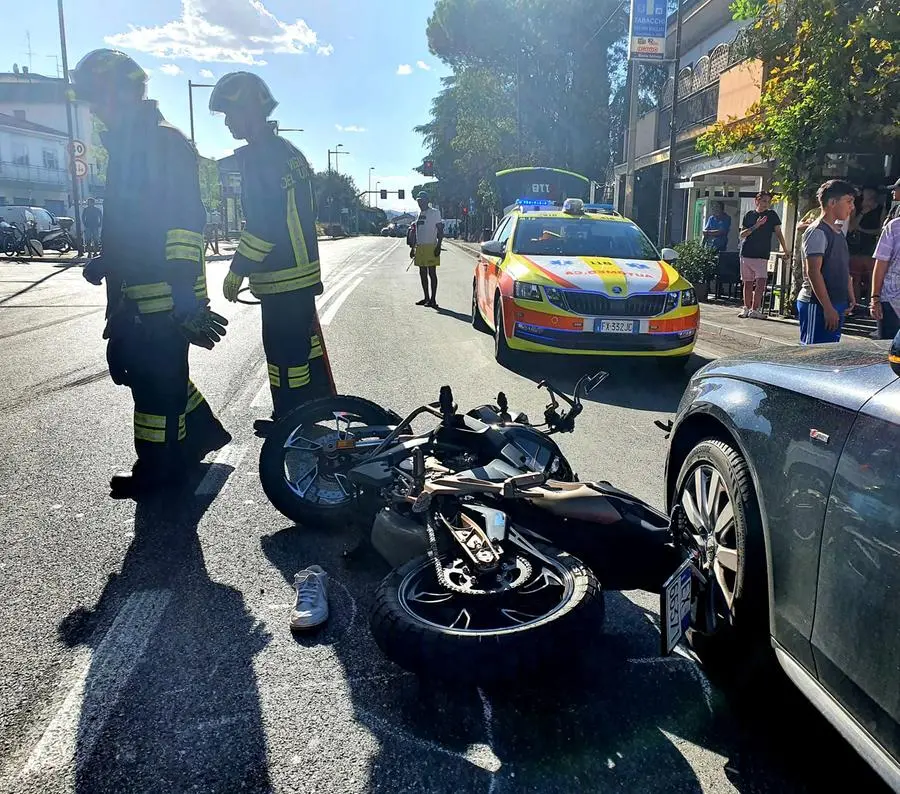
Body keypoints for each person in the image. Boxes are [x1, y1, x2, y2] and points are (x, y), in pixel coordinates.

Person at [72, 49, 230, 497]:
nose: (94, 109)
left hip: (162, 292)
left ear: (122, 94)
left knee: (155, 389)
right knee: (145, 373)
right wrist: (110, 261)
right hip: (137, 288)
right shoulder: (131, 145)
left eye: (97, 98)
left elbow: (182, 221)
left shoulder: (161, 143)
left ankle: (160, 473)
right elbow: (134, 223)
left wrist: (182, 292)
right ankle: (199, 432)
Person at [209, 72, 332, 427]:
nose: (229, 123)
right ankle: (297, 414)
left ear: (249, 111)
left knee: (284, 353)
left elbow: (264, 225)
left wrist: (237, 269)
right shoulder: (286, 152)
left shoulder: (263, 158)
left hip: (282, 276)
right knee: (297, 351)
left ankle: (292, 421)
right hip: (297, 274)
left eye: (231, 114)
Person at [796, 180, 856, 345]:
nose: (852, 207)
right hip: (817, 304)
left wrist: (850, 295)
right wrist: (828, 307)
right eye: (848, 201)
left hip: (837, 302)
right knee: (813, 355)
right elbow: (814, 271)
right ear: (832, 202)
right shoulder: (817, 231)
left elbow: (843, 267)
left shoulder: (837, 232)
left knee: (829, 355)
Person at [738, 191, 789, 319]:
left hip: (762, 253)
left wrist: (785, 249)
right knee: (747, 282)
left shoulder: (772, 215)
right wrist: (756, 225)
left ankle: (755, 309)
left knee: (761, 282)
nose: (766, 204)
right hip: (747, 252)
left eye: (768, 201)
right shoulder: (749, 215)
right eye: (764, 201)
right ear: (757, 201)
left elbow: (778, 233)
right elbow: (742, 234)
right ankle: (746, 308)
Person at [846, 186, 886, 313]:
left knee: (870, 277)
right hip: (855, 245)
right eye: (867, 190)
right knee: (854, 278)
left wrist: (863, 230)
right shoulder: (855, 206)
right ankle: (856, 305)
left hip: (871, 246)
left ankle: (870, 306)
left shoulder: (881, 209)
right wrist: (863, 212)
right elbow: (851, 227)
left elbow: (881, 230)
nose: (869, 193)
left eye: (871, 191)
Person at [410, 191, 443, 308]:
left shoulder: (435, 213)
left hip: (431, 246)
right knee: (422, 273)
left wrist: (439, 246)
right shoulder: (418, 214)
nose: (420, 203)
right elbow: (416, 232)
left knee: (432, 273)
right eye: (418, 201)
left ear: (427, 201)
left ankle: (433, 299)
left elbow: (440, 230)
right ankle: (426, 297)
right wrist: (413, 248)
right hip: (420, 247)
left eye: (422, 201)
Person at [871, 214, 900, 339]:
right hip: (890, 300)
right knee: (889, 351)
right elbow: (881, 263)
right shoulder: (894, 226)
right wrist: (875, 298)